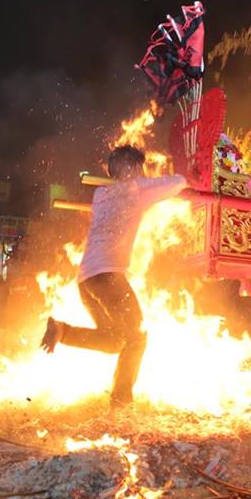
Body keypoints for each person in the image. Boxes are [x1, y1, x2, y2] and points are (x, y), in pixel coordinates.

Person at [40, 146, 187, 407]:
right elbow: (179, 182)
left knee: (114, 340)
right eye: (139, 167)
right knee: (136, 338)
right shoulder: (137, 189)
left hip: (86, 279)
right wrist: (147, 181)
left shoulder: (101, 193)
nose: (142, 173)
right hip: (107, 276)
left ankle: (62, 331)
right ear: (131, 168)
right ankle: (121, 403)